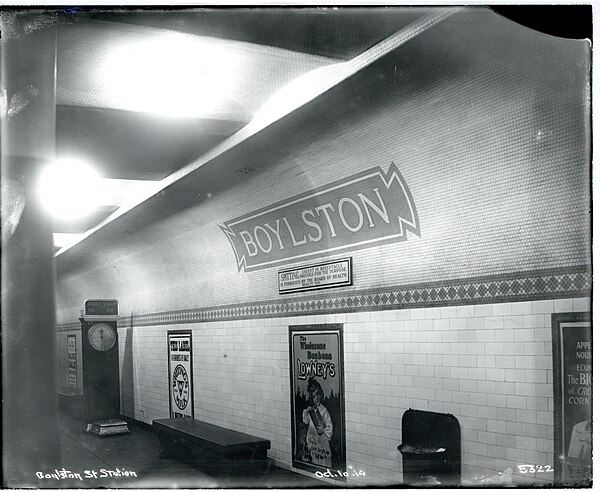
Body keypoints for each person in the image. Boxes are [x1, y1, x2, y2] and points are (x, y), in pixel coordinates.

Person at [302, 377, 333, 467]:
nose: (316, 398)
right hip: (313, 442)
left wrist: (323, 432)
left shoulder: (324, 410)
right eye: (313, 396)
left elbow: (329, 428)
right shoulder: (312, 409)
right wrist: (306, 412)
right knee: (314, 461)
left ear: (321, 394)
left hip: (322, 443)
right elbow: (306, 421)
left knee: (323, 462)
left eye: (317, 394)